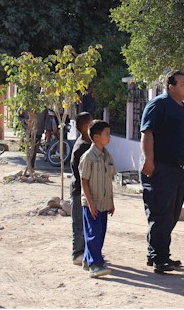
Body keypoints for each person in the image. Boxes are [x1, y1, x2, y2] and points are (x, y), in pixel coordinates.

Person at [140, 70, 184, 273]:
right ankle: (159, 258)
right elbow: (148, 133)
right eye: (182, 83)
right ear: (171, 86)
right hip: (162, 168)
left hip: (179, 170)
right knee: (161, 213)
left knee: (172, 214)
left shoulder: (183, 108)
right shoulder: (159, 104)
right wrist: (149, 160)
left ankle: (157, 254)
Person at [79, 119, 116, 278]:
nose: (109, 137)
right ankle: (95, 264)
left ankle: (89, 260)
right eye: (106, 134)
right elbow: (84, 182)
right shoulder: (88, 157)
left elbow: (109, 180)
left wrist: (112, 202)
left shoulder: (107, 156)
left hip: (104, 203)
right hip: (91, 203)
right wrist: (90, 204)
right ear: (96, 137)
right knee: (93, 233)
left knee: (100, 233)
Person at [70, 112, 94, 265]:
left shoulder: (87, 144)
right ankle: (78, 253)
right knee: (79, 224)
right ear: (85, 127)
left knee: (86, 224)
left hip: (84, 192)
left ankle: (85, 252)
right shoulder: (83, 148)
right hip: (79, 191)